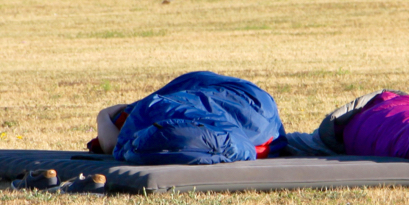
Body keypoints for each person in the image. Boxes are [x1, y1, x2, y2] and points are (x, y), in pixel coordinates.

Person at [88, 71, 286, 165]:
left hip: (254, 112)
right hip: (262, 107)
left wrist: (103, 115)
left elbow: (111, 145)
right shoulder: (148, 109)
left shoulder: (140, 113)